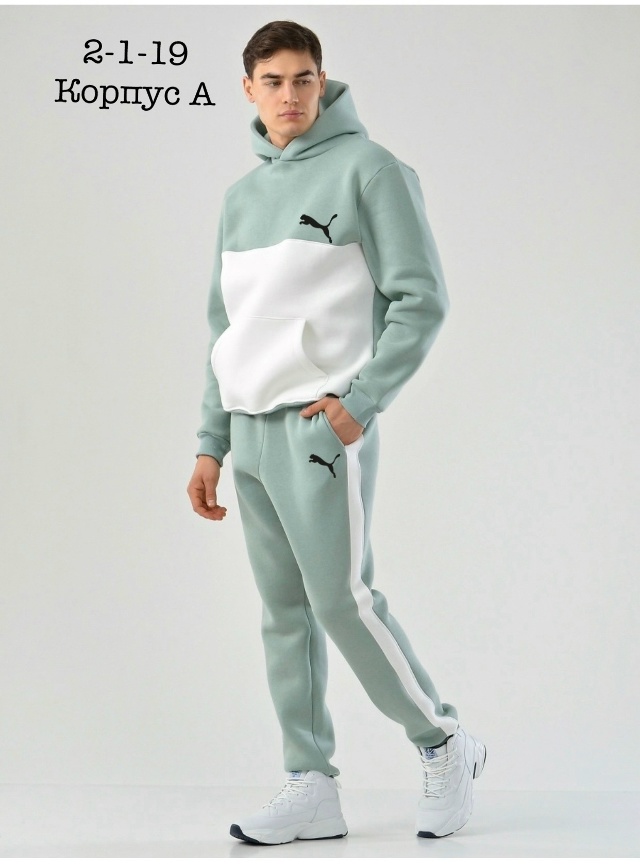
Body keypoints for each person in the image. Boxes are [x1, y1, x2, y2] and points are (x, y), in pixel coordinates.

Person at [187, 20, 485, 846]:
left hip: (321, 428)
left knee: (341, 601)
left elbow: (420, 298)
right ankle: (310, 783)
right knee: (283, 614)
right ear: (248, 89)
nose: (290, 95)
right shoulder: (240, 200)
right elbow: (224, 330)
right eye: (273, 80)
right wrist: (210, 442)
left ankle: (444, 741)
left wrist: (362, 400)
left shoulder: (371, 169)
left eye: (304, 78)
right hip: (248, 431)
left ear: (323, 82)